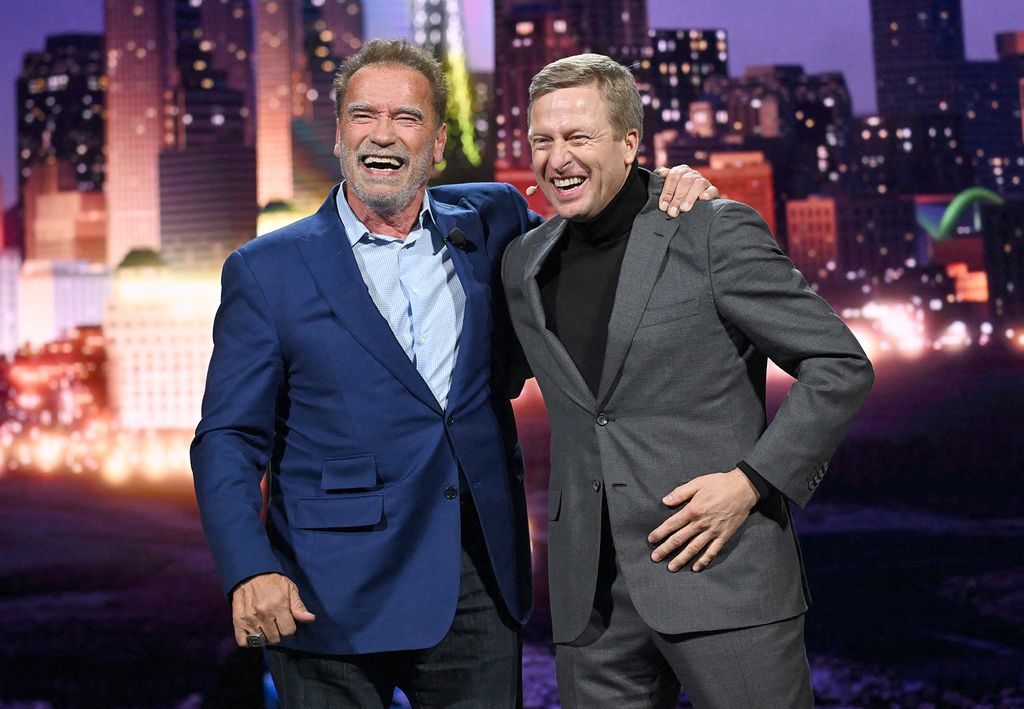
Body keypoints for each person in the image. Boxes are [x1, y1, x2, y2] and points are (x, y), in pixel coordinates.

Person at [191, 39, 717, 708]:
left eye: (406, 118)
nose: (383, 134)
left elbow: (590, 239)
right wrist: (249, 568)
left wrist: (665, 186)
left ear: (438, 144)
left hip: (475, 581)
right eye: (364, 115)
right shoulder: (266, 270)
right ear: (340, 134)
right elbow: (228, 439)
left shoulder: (495, 219)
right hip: (325, 592)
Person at [501, 53, 875, 708]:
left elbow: (839, 363)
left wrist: (753, 481)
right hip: (589, 604)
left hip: (724, 573)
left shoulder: (712, 230)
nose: (557, 157)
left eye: (578, 137)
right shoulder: (523, 263)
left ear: (628, 141)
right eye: (542, 140)